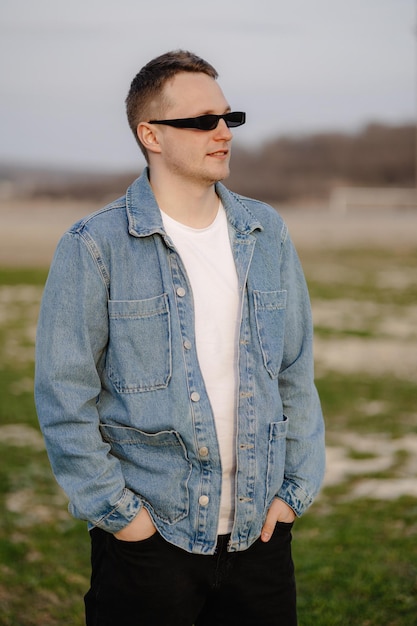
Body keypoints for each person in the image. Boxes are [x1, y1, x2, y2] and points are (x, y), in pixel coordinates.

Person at [35, 49, 325, 626]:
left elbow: (294, 370)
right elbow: (65, 396)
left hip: (259, 539)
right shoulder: (94, 246)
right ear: (151, 135)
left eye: (228, 118)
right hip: (149, 543)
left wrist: (294, 492)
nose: (222, 133)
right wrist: (123, 519)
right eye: (200, 121)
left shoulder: (266, 234)